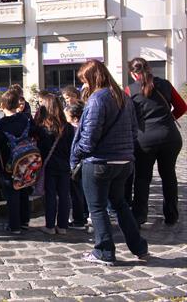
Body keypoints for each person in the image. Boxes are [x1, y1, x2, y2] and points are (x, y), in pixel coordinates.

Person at [70, 59, 148, 265]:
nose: (83, 86)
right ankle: (138, 246)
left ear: (93, 78)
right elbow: (134, 131)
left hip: (99, 163)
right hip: (123, 162)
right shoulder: (123, 97)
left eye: (84, 81)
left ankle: (104, 251)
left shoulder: (97, 99)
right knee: (120, 204)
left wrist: (76, 155)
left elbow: (89, 138)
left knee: (96, 208)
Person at [125, 57, 186, 227]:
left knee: (142, 178)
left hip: (145, 139)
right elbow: (182, 107)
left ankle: (139, 216)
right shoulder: (165, 84)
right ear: (149, 68)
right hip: (170, 137)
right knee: (169, 175)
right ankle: (172, 216)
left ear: (132, 73)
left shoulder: (130, 90)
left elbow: (127, 116)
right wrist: (168, 118)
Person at [0, 89, 34, 234]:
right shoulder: (25, 120)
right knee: (24, 191)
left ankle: (14, 226)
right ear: (17, 104)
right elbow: (39, 134)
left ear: (2, 105)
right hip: (26, 163)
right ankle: (25, 221)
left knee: (12, 195)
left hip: (8, 165)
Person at [35, 94, 74, 235]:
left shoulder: (43, 128)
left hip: (49, 165)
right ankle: (62, 226)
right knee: (64, 195)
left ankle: (50, 226)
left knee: (50, 195)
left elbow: (39, 148)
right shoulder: (68, 127)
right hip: (64, 165)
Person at [65, 101, 89, 229]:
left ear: (74, 118)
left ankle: (79, 219)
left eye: (67, 117)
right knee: (82, 192)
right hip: (85, 165)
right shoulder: (87, 127)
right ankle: (83, 216)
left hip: (76, 165)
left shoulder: (73, 130)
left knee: (76, 192)